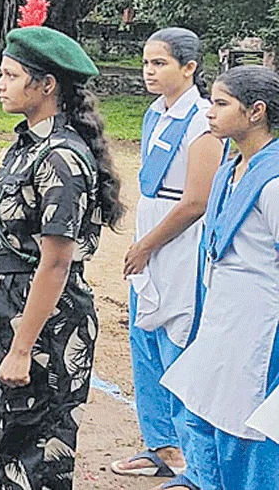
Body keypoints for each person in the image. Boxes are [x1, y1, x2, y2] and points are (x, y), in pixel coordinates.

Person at [0, 22, 123, 489]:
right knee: (5, 440)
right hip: (10, 306)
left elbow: (56, 262)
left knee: (38, 457)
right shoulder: (28, 145)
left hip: (46, 322)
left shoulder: (61, 157)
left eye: (9, 75)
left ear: (46, 85)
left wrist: (22, 346)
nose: (0, 85)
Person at [159, 65, 279, 490]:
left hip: (261, 323)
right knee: (201, 409)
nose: (209, 112)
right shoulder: (230, 168)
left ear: (256, 112)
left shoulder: (274, 180)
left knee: (248, 430)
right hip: (223, 312)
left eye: (221, 103)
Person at [109, 28, 218, 482]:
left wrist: (148, 245)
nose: (149, 71)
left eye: (160, 64)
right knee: (143, 341)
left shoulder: (202, 119)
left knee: (178, 343)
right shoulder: (156, 113)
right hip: (148, 240)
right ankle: (159, 445)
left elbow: (196, 201)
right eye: (146, 62)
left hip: (179, 247)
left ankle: (191, 458)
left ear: (189, 67)